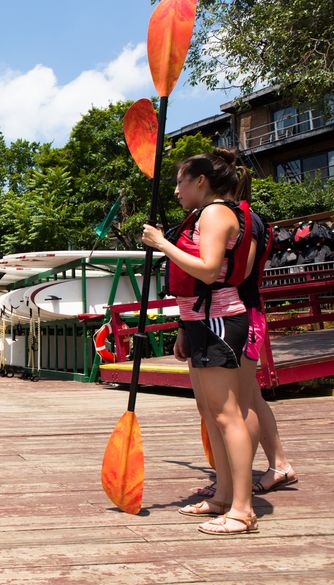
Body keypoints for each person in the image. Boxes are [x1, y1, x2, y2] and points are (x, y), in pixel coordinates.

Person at [142, 148, 257, 535]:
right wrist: (182, 328)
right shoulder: (204, 214)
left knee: (227, 415)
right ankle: (224, 495)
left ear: (201, 181)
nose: (176, 190)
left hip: (219, 322)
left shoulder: (216, 213)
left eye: (181, 181)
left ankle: (242, 509)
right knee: (211, 414)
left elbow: (208, 271)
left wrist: (161, 243)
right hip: (199, 322)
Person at [194, 171, 298, 498]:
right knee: (249, 397)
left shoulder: (244, 219)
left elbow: (242, 271)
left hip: (241, 313)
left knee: (240, 405)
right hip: (241, 312)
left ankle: (240, 486)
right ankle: (274, 464)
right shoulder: (244, 217)